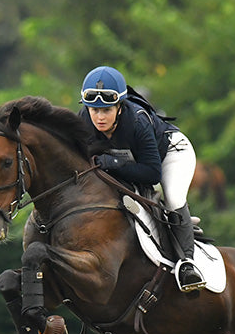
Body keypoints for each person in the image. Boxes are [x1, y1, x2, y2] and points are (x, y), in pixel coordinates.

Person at [78, 64, 205, 292]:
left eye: (106, 110)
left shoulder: (137, 121)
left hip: (170, 154)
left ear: (119, 106)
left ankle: (187, 264)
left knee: (174, 199)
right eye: (93, 110)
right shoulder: (84, 122)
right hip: (134, 162)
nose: (99, 117)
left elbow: (151, 173)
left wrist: (112, 163)